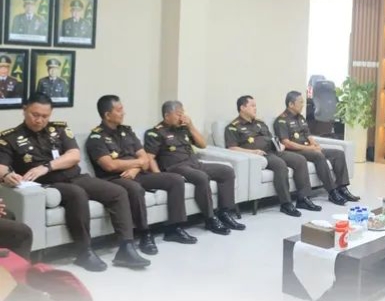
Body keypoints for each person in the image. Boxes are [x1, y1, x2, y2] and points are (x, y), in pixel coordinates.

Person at [0, 93, 149, 272]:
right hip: (48, 185)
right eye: (35, 115)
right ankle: (84, 251)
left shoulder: (59, 129)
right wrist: (6, 175)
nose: (39, 120)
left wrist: (47, 166)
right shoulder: (10, 138)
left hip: (76, 177)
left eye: (45, 116)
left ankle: (126, 247)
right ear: (24, 110)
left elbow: (74, 155)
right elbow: (2, 167)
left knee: (117, 192)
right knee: (77, 194)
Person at [86, 95, 197, 255]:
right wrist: (137, 163)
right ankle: (145, 233)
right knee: (135, 189)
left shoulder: (127, 131)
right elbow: (109, 165)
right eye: (119, 110)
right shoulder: (96, 138)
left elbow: (145, 159)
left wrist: (135, 168)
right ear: (107, 115)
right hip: (115, 178)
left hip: (138, 173)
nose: (123, 113)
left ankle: (174, 228)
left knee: (175, 180)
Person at [144, 100, 244, 235]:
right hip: (175, 167)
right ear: (167, 116)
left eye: (183, 113)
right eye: (178, 114)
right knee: (201, 177)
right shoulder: (155, 133)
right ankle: (210, 218)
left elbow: (202, 144)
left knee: (227, 171)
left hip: (195, 163)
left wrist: (190, 125)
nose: (182, 117)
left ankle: (224, 213)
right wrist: (159, 176)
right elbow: (150, 157)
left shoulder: (183, 128)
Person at [225, 95, 320, 217]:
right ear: (242, 108)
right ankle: (286, 204)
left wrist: (279, 145)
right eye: (252, 106)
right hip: (261, 156)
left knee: (300, 160)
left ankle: (303, 198)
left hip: (274, 151)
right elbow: (232, 148)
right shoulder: (233, 127)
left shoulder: (260, 123)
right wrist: (253, 152)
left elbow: (271, 138)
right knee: (280, 165)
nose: (255, 108)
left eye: (255, 106)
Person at [274, 91, 359, 206]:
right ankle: (332, 192)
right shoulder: (281, 120)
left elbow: (308, 135)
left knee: (338, 153)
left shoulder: (301, 118)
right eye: (300, 102)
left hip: (308, 148)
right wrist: (310, 149)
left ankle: (342, 188)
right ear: (291, 104)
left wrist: (316, 145)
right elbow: (286, 143)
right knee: (318, 155)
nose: (303, 105)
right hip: (296, 151)